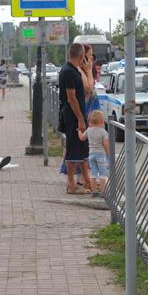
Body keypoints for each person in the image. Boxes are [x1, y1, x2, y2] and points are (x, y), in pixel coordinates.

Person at [59, 43, 92, 194]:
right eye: (84, 55)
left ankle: (86, 182)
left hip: (76, 114)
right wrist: (80, 119)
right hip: (73, 116)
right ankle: (71, 183)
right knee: (73, 149)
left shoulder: (73, 70)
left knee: (81, 149)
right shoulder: (68, 72)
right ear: (80, 56)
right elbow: (71, 98)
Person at [78, 110, 108, 197]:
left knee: (93, 173)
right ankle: (103, 192)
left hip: (91, 155)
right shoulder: (103, 132)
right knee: (102, 174)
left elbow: (82, 138)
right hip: (101, 155)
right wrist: (108, 153)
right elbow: (105, 144)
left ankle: (94, 191)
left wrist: (79, 131)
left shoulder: (89, 130)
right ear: (102, 121)